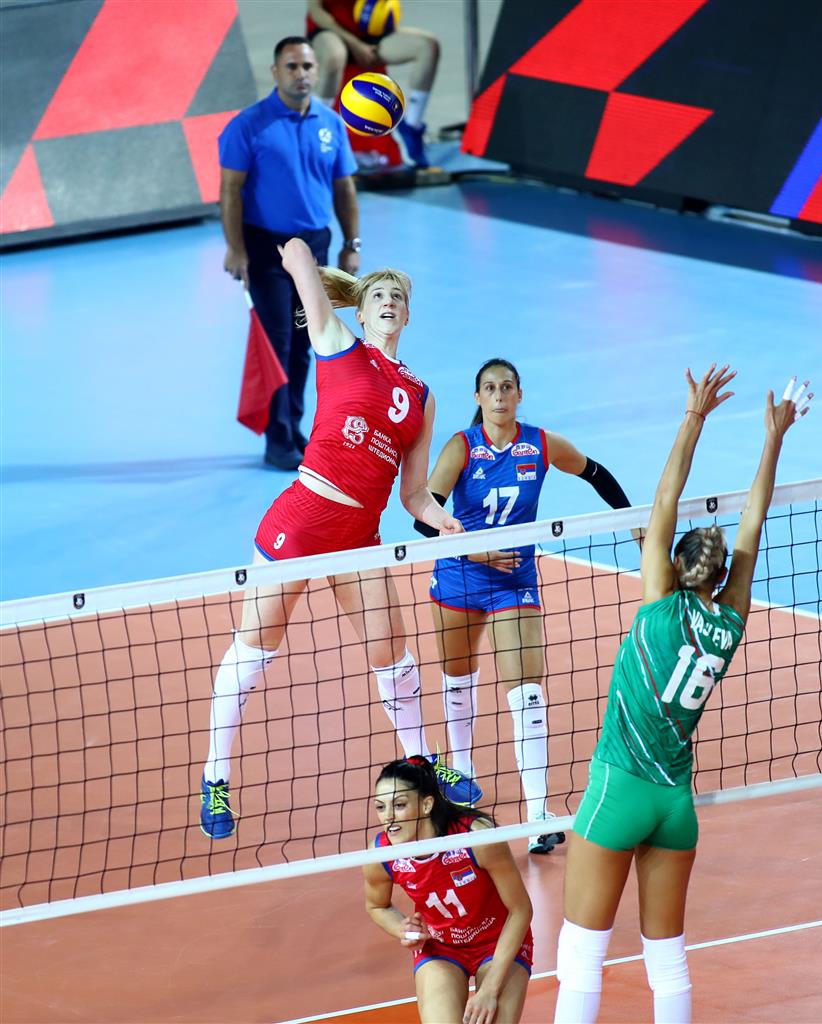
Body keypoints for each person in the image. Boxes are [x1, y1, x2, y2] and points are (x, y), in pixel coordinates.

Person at [553, 365, 810, 1024]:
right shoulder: (731, 620)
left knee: (580, 956)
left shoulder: (657, 604)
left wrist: (694, 417)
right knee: (667, 961)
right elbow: (753, 522)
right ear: (721, 577)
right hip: (674, 804)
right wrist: (774, 439)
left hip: (619, 790)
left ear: (672, 565)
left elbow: (665, 494)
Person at [198, 238, 477, 840]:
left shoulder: (422, 396)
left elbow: (414, 493)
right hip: (303, 518)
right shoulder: (336, 344)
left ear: (408, 315)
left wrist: (445, 521)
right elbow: (299, 255)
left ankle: (423, 764)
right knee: (255, 649)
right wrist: (306, 257)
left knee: (391, 651)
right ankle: (216, 776)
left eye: (397, 297)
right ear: (360, 308)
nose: (388, 302)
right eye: (377, 295)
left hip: (360, 534)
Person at [412, 358, 634, 855]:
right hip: (460, 576)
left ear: (519, 394)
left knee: (528, 695)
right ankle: (461, 775)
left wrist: (633, 519)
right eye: (490, 388)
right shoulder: (461, 447)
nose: (499, 396)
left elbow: (595, 472)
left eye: (507, 387)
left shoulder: (540, 444)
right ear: (478, 398)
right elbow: (426, 520)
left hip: (514, 583)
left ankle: (538, 816)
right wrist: (477, 551)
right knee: (458, 681)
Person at [219, 36, 362, 471]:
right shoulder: (248, 125)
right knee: (277, 342)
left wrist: (351, 244)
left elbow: (344, 188)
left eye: (308, 66)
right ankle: (277, 438)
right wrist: (236, 249)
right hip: (268, 248)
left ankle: (294, 428)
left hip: (315, 246)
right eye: (292, 66)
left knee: (306, 343)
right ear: (275, 72)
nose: (301, 74)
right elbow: (230, 190)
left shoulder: (331, 123)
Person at [364, 756, 533, 1024]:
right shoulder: (381, 854)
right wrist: (403, 929)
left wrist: (489, 990)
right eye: (380, 807)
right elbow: (377, 905)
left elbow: (521, 910)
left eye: (399, 805)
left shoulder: (476, 838)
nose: (388, 817)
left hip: (498, 942)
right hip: (441, 948)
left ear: (426, 804)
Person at [307, 0, 440, 167]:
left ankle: (410, 129)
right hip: (331, 31)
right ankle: (314, 128)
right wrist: (355, 44)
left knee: (428, 46)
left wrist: (385, 18)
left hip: (370, 31)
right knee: (334, 55)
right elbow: (316, 12)